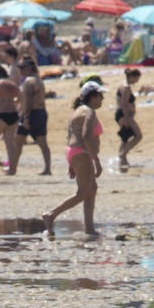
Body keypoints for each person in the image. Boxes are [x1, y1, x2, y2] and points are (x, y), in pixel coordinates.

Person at [42, 81, 105, 236]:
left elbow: (71, 135)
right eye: (100, 95)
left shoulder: (79, 110)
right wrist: (96, 160)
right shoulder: (88, 112)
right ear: (92, 96)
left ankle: (89, 228)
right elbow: (86, 136)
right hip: (81, 152)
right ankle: (51, 214)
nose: (102, 99)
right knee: (84, 192)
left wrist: (72, 163)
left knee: (92, 189)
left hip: (75, 152)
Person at [13, 59, 51, 175]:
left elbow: (28, 100)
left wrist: (26, 117)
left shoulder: (29, 81)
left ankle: (12, 168)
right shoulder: (38, 80)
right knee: (41, 142)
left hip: (32, 113)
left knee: (18, 140)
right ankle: (47, 168)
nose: (20, 71)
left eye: (23, 68)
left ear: (29, 68)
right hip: (40, 112)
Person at [115, 67, 143, 171]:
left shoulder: (123, 85)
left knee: (125, 137)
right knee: (138, 136)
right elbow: (124, 104)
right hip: (124, 115)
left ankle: (123, 161)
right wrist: (126, 118)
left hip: (123, 115)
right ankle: (123, 154)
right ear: (132, 77)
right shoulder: (126, 88)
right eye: (136, 78)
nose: (137, 81)